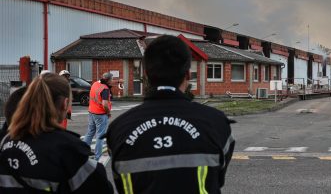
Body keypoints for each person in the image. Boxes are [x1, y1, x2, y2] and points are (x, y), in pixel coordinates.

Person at [106, 35, 235, 194]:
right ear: (187, 75)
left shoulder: (118, 129)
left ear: (146, 74)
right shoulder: (216, 123)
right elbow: (218, 177)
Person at [0, 73, 113, 193]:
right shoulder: (67, 150)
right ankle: (98, 155)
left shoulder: (4, 139)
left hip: (93, 113)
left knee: (90, 132)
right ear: (65, 104)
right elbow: (101, 188)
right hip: (99, 115)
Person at [84, 72, 113, 161]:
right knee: (100, 136)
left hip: (91, 112)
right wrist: (108, 113)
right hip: (100, 114)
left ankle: (82, 151)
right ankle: (97, 157)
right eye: (111, 79)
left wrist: (118, 81)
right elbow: (104, 104)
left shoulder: (95, 84)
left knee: (90, 133)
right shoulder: (105, 89)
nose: (112, 81)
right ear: (107, 80)